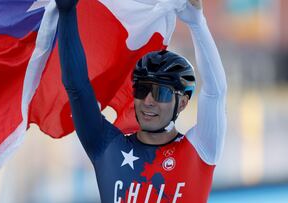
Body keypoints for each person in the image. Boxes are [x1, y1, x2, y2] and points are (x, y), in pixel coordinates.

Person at [56, 0, 227, 202]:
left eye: (160, 93)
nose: (148, 101)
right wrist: (66, 14)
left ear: (182, 103)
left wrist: (197, 23)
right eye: (142, 90)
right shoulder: (106, 146)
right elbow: (77, 88)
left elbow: (215, 93)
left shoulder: (201, 150)